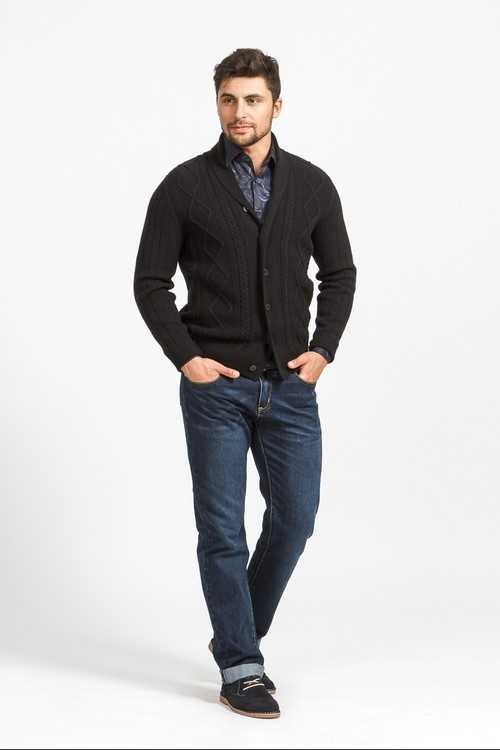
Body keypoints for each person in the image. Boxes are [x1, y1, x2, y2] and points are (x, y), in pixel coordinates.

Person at [133, 47, 356, 719]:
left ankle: (236, 631)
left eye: (252, 99)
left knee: (296, 518)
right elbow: (150, 282)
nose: (239, 111)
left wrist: (323, 349)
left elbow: (339, 273)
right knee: (223, 530)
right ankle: (241, 665)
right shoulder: (183, 187)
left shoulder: (312, 185)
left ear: (276, 106)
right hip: (216, 391)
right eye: (229, 99)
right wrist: (187, 358)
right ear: (218, 104)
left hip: (289, 387)